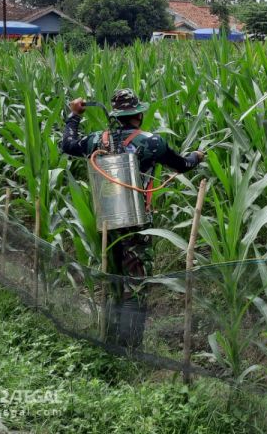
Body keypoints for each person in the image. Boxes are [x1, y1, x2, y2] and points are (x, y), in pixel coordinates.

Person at [60, 88, 205, 350]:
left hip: (107, 222)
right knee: (135, 286)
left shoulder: (98, 140)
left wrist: (74, 115)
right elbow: (182, 165)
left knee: (112, 276)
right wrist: (197, 156)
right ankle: (129, 350)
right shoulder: (152, 142)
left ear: (116, 116)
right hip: (136, 223)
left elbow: (67, 145)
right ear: (138, 114)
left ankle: (110, 341)